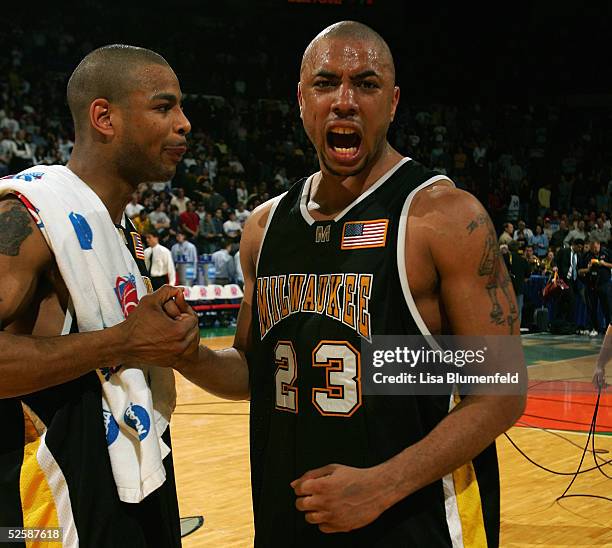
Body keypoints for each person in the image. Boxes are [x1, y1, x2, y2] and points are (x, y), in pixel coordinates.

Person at [171, 21, 525, 547]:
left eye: (366, 83)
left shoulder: (441, 217)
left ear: (394, 101)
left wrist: (382, 485)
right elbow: (254, 371)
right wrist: (185, 354)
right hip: (288, 515)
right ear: (300, 99)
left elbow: (499, 391)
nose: (344, 100)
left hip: (414, 519)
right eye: (325, 82)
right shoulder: (264, 228)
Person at [0, 45, 198, 547]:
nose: (184, 123)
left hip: (126, 492)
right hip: (44, 514)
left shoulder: (123, 229)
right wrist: (124, 341)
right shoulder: (28, 214)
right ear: (104, 117)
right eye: (163, 106)